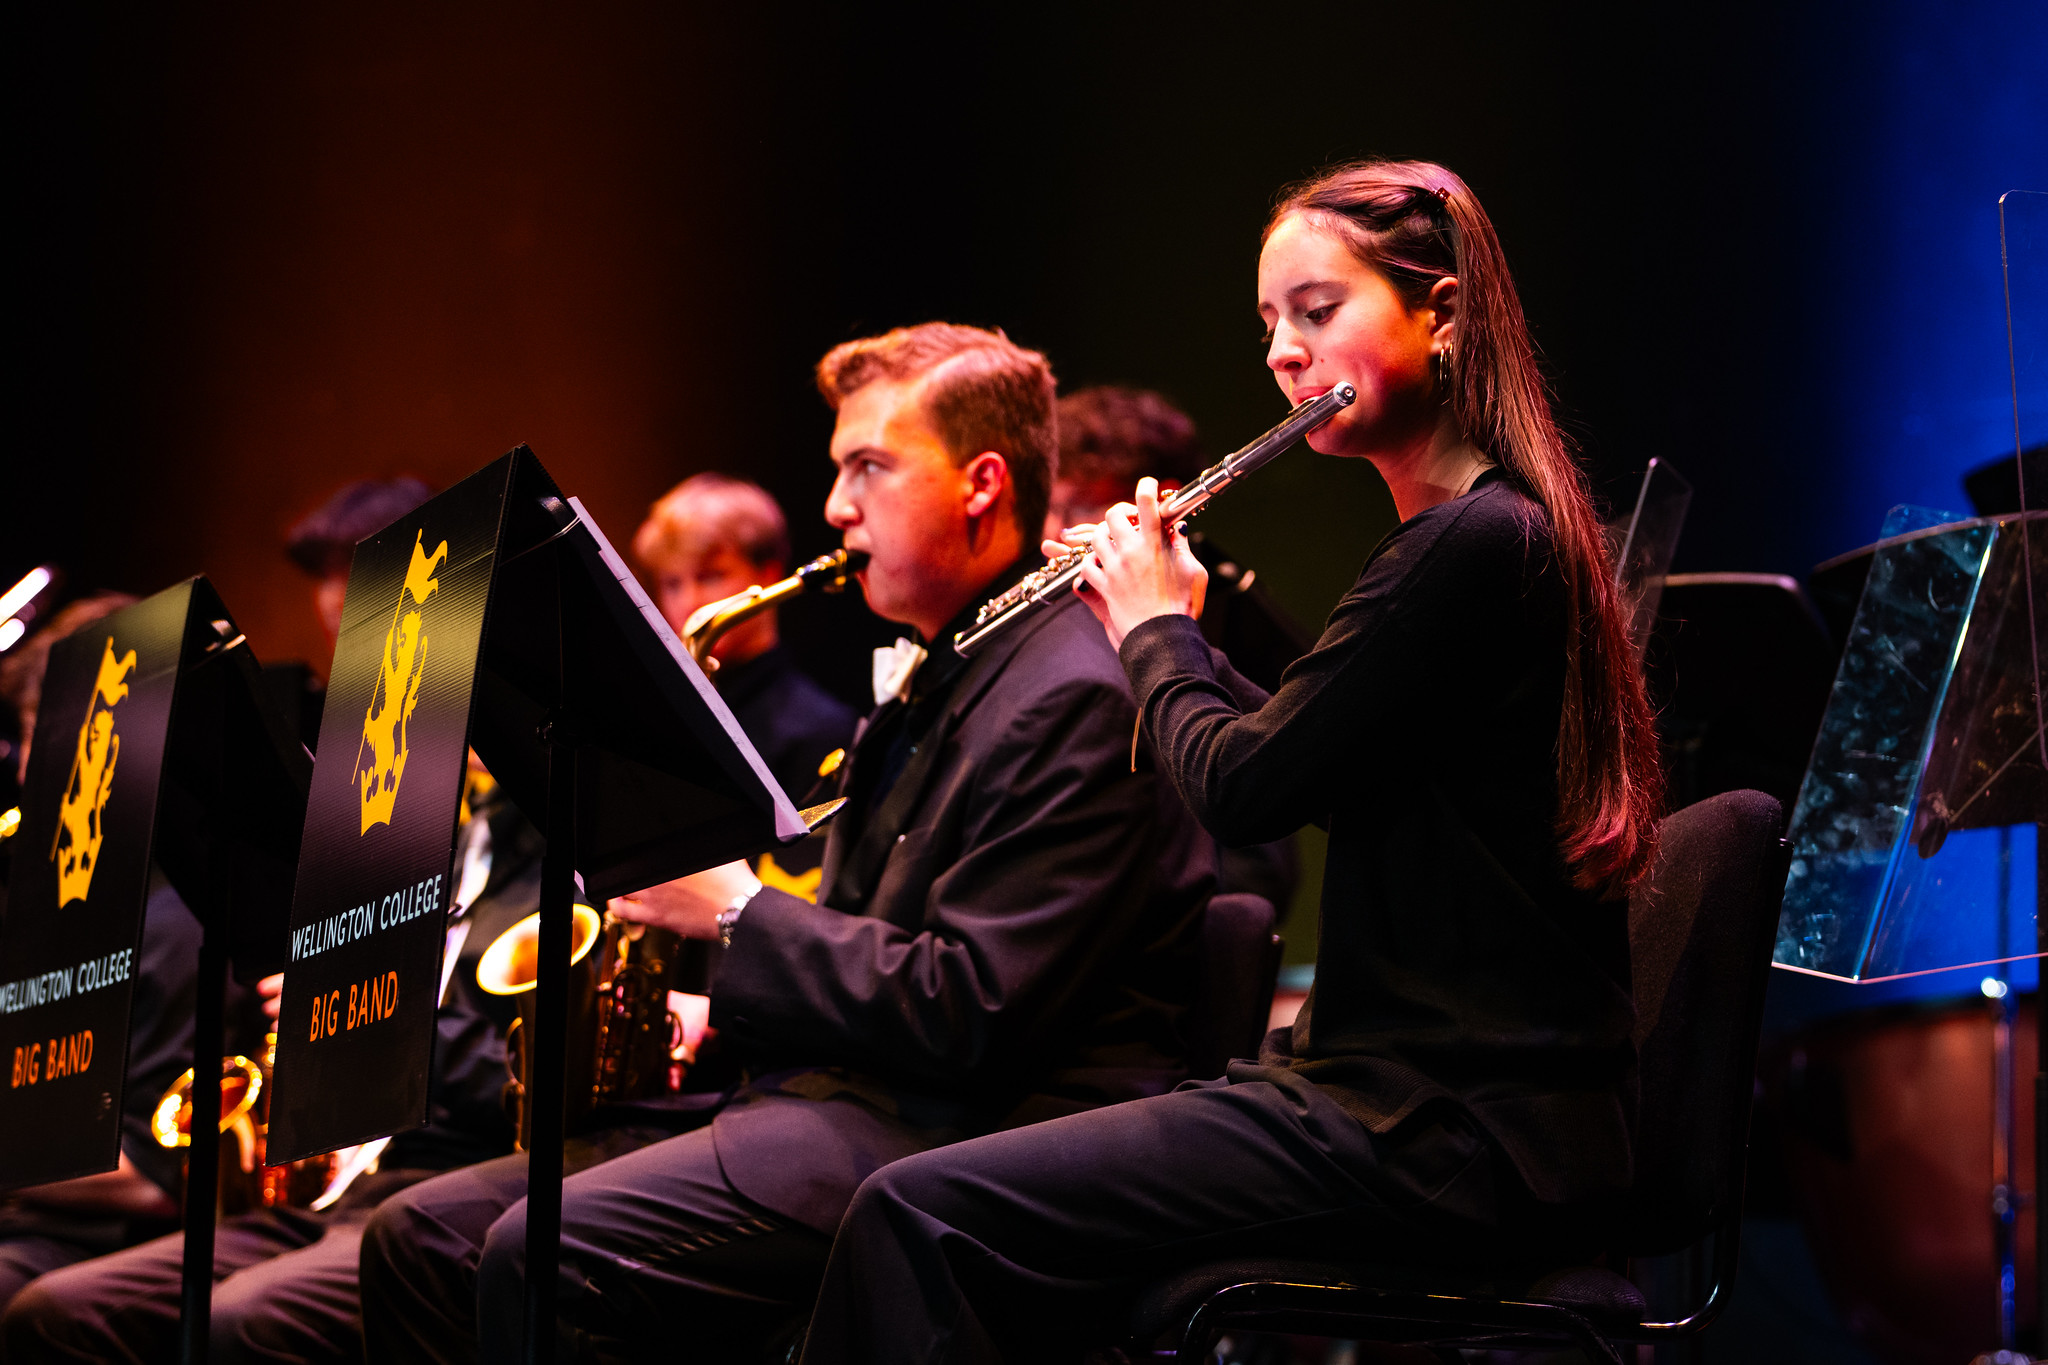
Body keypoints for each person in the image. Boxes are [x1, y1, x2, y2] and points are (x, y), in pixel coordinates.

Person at [799, 160, 1666, 1362]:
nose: (1282, 354)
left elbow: (1241, 789)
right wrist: (1183, 636)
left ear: (1443, 313)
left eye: (1317, 310)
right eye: (1268, 325)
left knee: (915, 1212)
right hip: (1433, 1110)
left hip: (1446, 1127)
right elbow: (1311, 765)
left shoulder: (1468, 545)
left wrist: (1152, 630)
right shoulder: (1480, 534)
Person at [357, 322, 1215, 1363]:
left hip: (960, 1135)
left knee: (535, 1254)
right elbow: (876, 932)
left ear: (981, 485)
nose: (836, 506)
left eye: (869, 468)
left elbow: (969, 1007)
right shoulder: (961, 664)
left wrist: (736, 909)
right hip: (842, 1100)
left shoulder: (1073, 691)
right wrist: (715, 1010)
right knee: (419, 1238)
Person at [1, 480, 527, 1364]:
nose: (378, 708)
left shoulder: (536, 845)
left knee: (233, 1318)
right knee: (60, 1311)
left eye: (392, 667)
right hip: (339, 1188)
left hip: (450, 1178)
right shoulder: (390, 837)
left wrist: (371, 1012)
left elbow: (538, 1077)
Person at [1051, 385, 1312, 912]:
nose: (1058, 530)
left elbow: (1259, 868)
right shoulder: (1062, 620)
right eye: (1050, 508)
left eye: (1079, 506)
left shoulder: (1215, 618)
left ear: (1163, 504)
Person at [631, 473, 857, 805]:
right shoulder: (657, 714)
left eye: (710, 576)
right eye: (672, 583)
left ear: (768, 574)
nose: (689, 602)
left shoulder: (822, 730)